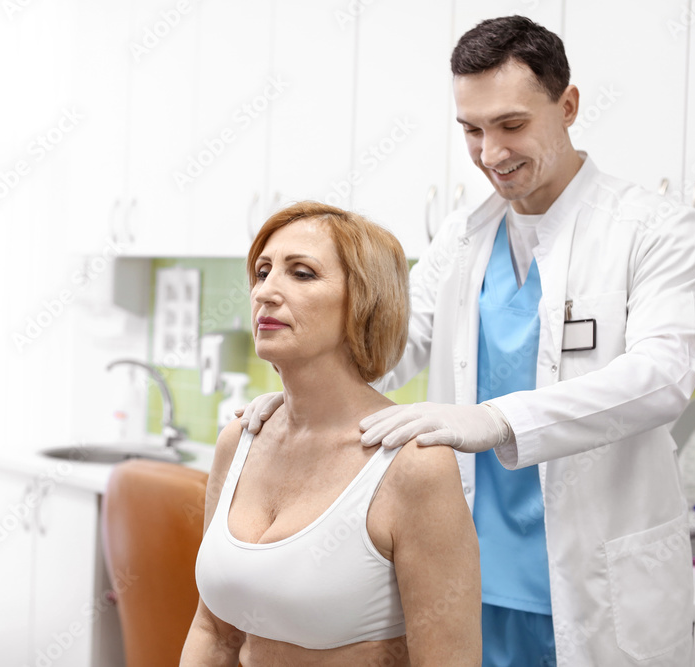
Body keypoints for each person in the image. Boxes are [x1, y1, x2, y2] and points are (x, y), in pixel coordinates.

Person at [239, 16, 695, 667]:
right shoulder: (462, 236)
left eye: (511, 125)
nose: (490, 153)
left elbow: (662, 375)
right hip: (469, 576)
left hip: (596, 581)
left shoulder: (652, 228)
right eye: (472, 130)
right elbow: (386, 348)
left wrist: (496, 420)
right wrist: (297, 400)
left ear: (568, 106)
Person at [181, 201, 481, 666]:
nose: (266, 292)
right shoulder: (239, 441)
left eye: (301, 274)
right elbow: (214, 632)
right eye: (262, 272)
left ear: (364, 303)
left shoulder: (414, 465)